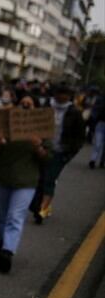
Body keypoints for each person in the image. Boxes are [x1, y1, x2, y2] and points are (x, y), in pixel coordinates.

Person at [0, 95, 51, 273]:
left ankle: (7, 251)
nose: (25, 106)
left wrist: (38, 146)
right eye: (22, 103)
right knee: (1, 215)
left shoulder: (42, 128)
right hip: (2, 177)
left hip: (26, 181)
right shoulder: (5, 124)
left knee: (15, 216)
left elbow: (48, 158)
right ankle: (4, 242)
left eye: (30, 104)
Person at [31, 84, 85, 222]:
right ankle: (38, 205)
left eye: (65, 94)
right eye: (59, 93)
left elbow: (80, 137)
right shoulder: (45, 106)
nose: (62, 97)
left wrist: (69, 154)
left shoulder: (75, 112)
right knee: (39, 179)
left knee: (49, 180)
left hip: (59, 152)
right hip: (41, 148)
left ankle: (41, 211)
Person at [88, 87, 104, 169]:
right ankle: (93, 160)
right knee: (97, 143)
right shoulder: (100, 99)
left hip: (100, 123)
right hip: (100, 124)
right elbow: (94, 109)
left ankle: (102, 161)